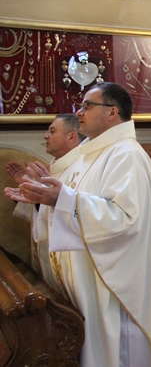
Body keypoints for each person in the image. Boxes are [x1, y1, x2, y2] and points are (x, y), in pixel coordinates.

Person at [5, 82, 151, 366]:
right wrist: (43, 200)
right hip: (91, 278)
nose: (79, 112)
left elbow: (124, 219)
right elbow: (74, 200)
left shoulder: (126, 154)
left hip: (116, 285)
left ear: (112, 112)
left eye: (87, 105)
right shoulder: (91, 154)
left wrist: (62, 199)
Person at [5, 114, 84, 293]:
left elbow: (79, 213)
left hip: (74, 262)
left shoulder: (81, 170)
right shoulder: (56, 166)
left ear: (71, 136)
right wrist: (32, 191)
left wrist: (42, 194)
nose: (45, 136)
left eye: (52, 131)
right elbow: (46, 214)